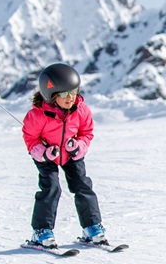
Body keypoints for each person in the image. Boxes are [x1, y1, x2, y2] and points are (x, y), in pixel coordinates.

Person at [21, 63, 107, 248]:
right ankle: (41, 231)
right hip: (47, 156)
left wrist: (78, 147)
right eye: (64, 94)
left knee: (82, 185)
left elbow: (86, 133)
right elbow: (31, 139)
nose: (70, 97)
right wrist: (44, 153)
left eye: (74, 91)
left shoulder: (81, 110)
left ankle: (92, 227)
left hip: (71, 154)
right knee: (51, 188)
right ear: (50, 95)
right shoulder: (37, 116)